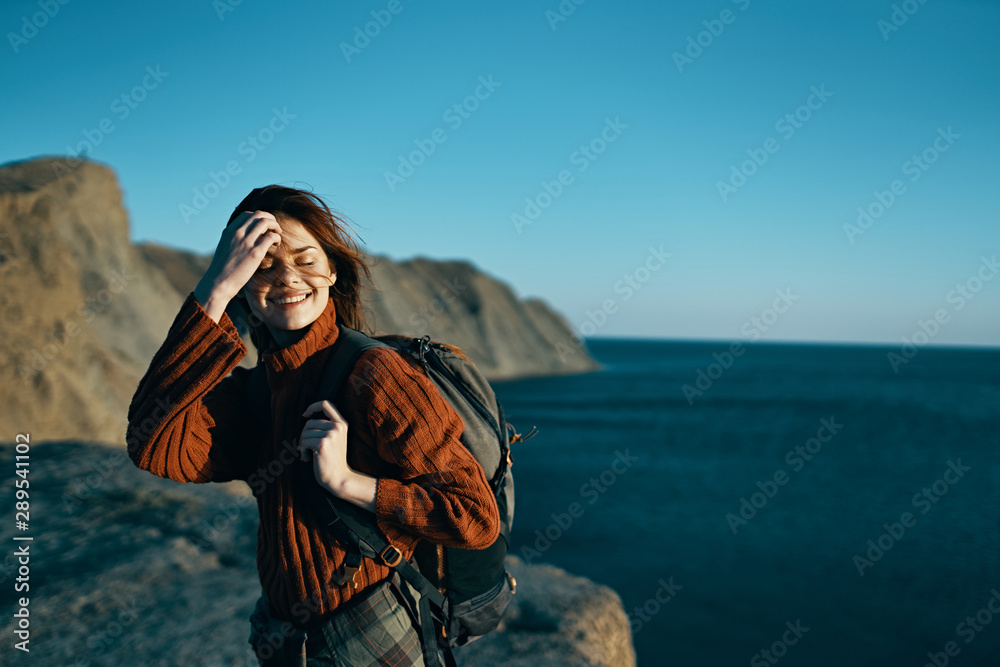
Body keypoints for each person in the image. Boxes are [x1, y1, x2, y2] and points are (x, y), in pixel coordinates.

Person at [125, 185, 501, 666]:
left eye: (306, 260)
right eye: (262, 265)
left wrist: (350, 483)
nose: (286, 278)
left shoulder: (376, 375)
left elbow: (474, 517)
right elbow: (150, 443)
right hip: (285, 640)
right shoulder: (257, 390)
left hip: (369, 638)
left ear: (332, 271)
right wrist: (213, 289)